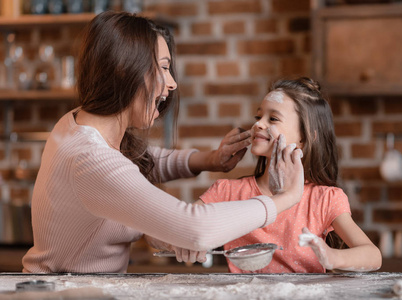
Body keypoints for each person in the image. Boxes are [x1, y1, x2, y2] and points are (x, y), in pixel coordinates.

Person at [21, 11, 304, 273]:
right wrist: (283, 198)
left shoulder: (77, 123)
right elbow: (196, 227)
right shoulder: (88, 158)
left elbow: (141, 162)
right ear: (124, 69)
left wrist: (211, 160)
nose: (172, 83)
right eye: (164, 68)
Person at [198, 77, 382, 273]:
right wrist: (192, 242)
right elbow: (183, 226)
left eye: (273, 119)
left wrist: (332, 256)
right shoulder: (227, 192)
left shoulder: (324, 199)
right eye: (258, 117)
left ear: (305, 138)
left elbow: (373, 256)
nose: (258, 124)